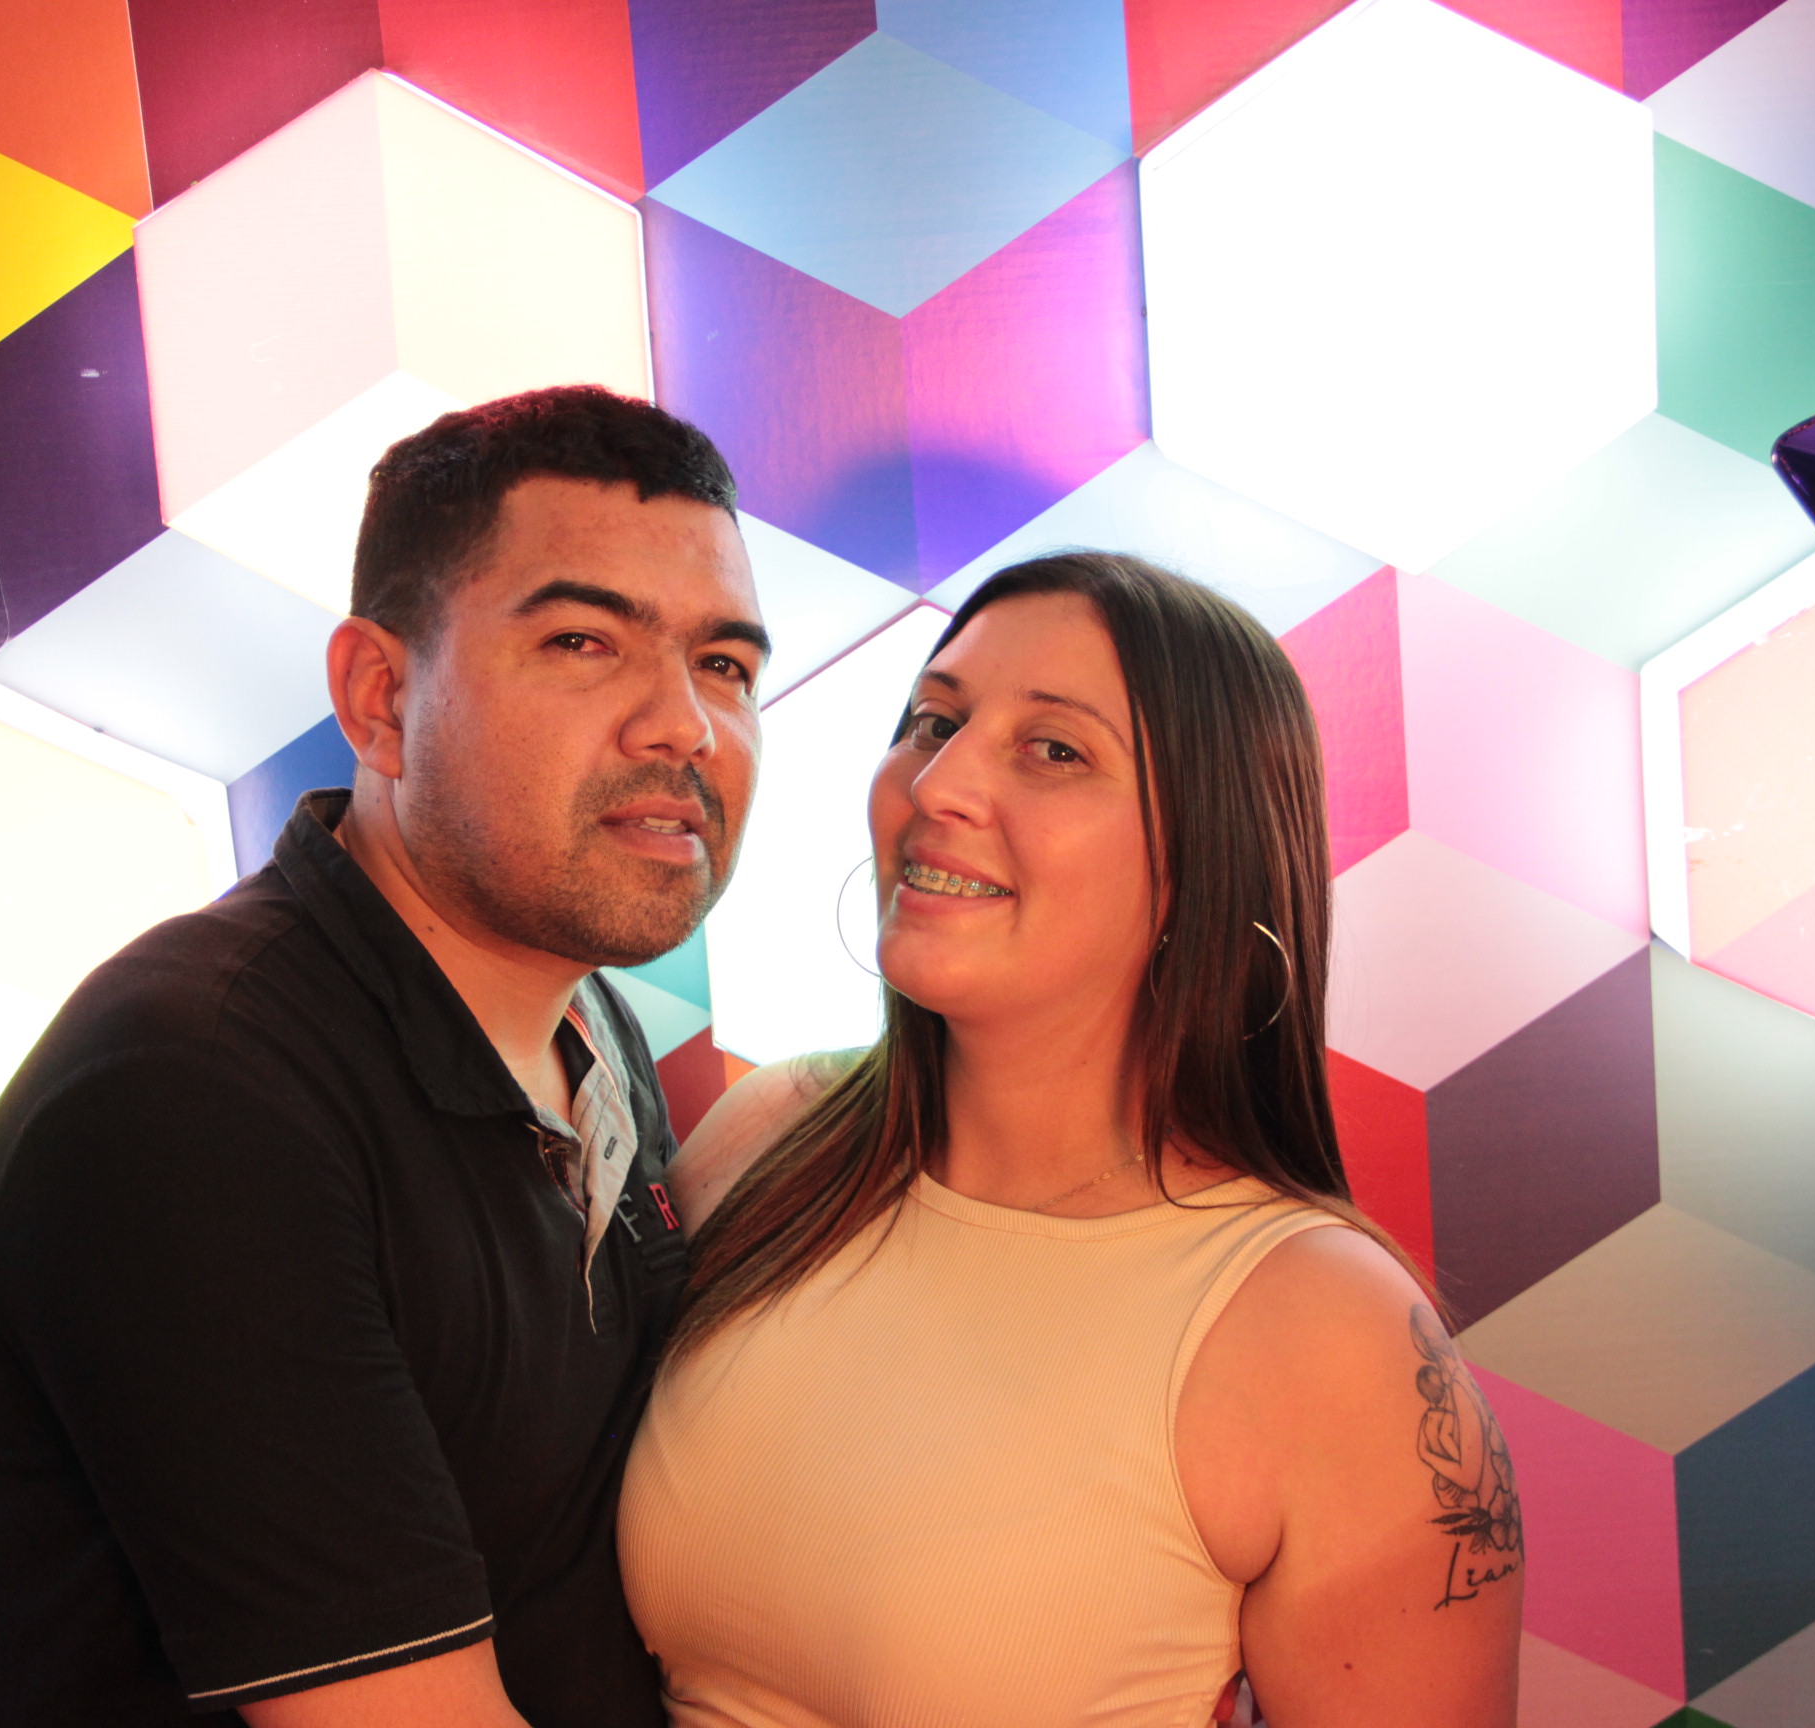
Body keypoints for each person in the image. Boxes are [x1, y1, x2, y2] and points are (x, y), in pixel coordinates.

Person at [0, 386, 768, 1728]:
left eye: (725, 664)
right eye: (582, 642)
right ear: (380, 697)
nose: (683, 725)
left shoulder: (591, 1025)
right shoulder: (195, 1096)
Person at [620, 553, 1525, 1726]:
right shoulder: (772, 1134)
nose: (940, 783)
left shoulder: (1325, 1331)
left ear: (1204, 858)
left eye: (1054, 750)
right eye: (934, 721)